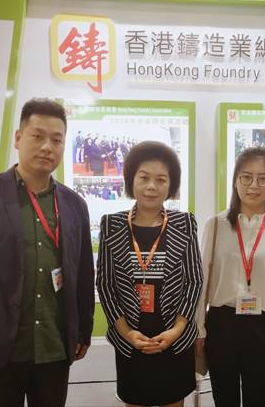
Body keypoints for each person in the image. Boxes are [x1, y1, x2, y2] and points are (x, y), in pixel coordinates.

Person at [0, 98, 95, 407]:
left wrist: (83, 330)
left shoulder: (74, 204)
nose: (47, 147)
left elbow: (83, 273)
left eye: (56, 140)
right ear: (18, 138)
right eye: (37, 136)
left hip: (54, 347)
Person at [96, 141, 203, 407]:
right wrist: (126, 332)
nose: (151, 186)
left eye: (161, 179)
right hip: (131, 340)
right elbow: (106, 284)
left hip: (175, 339)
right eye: (144, 177)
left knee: (173, 402)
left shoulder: (184, 223)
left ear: (171, 184)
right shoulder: (111, 225)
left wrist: (177, 330)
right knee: (135, 401)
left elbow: (194, 280)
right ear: (131, 180)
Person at [195, 147, 265, 407]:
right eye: (246, 177)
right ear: (235, 180)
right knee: (224, 399)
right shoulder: (216, 225)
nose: (254, 185)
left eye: (263, 178)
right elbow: (201, 282)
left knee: (259, 398)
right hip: (221, 323)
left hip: (263, 327)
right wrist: (199, 329)